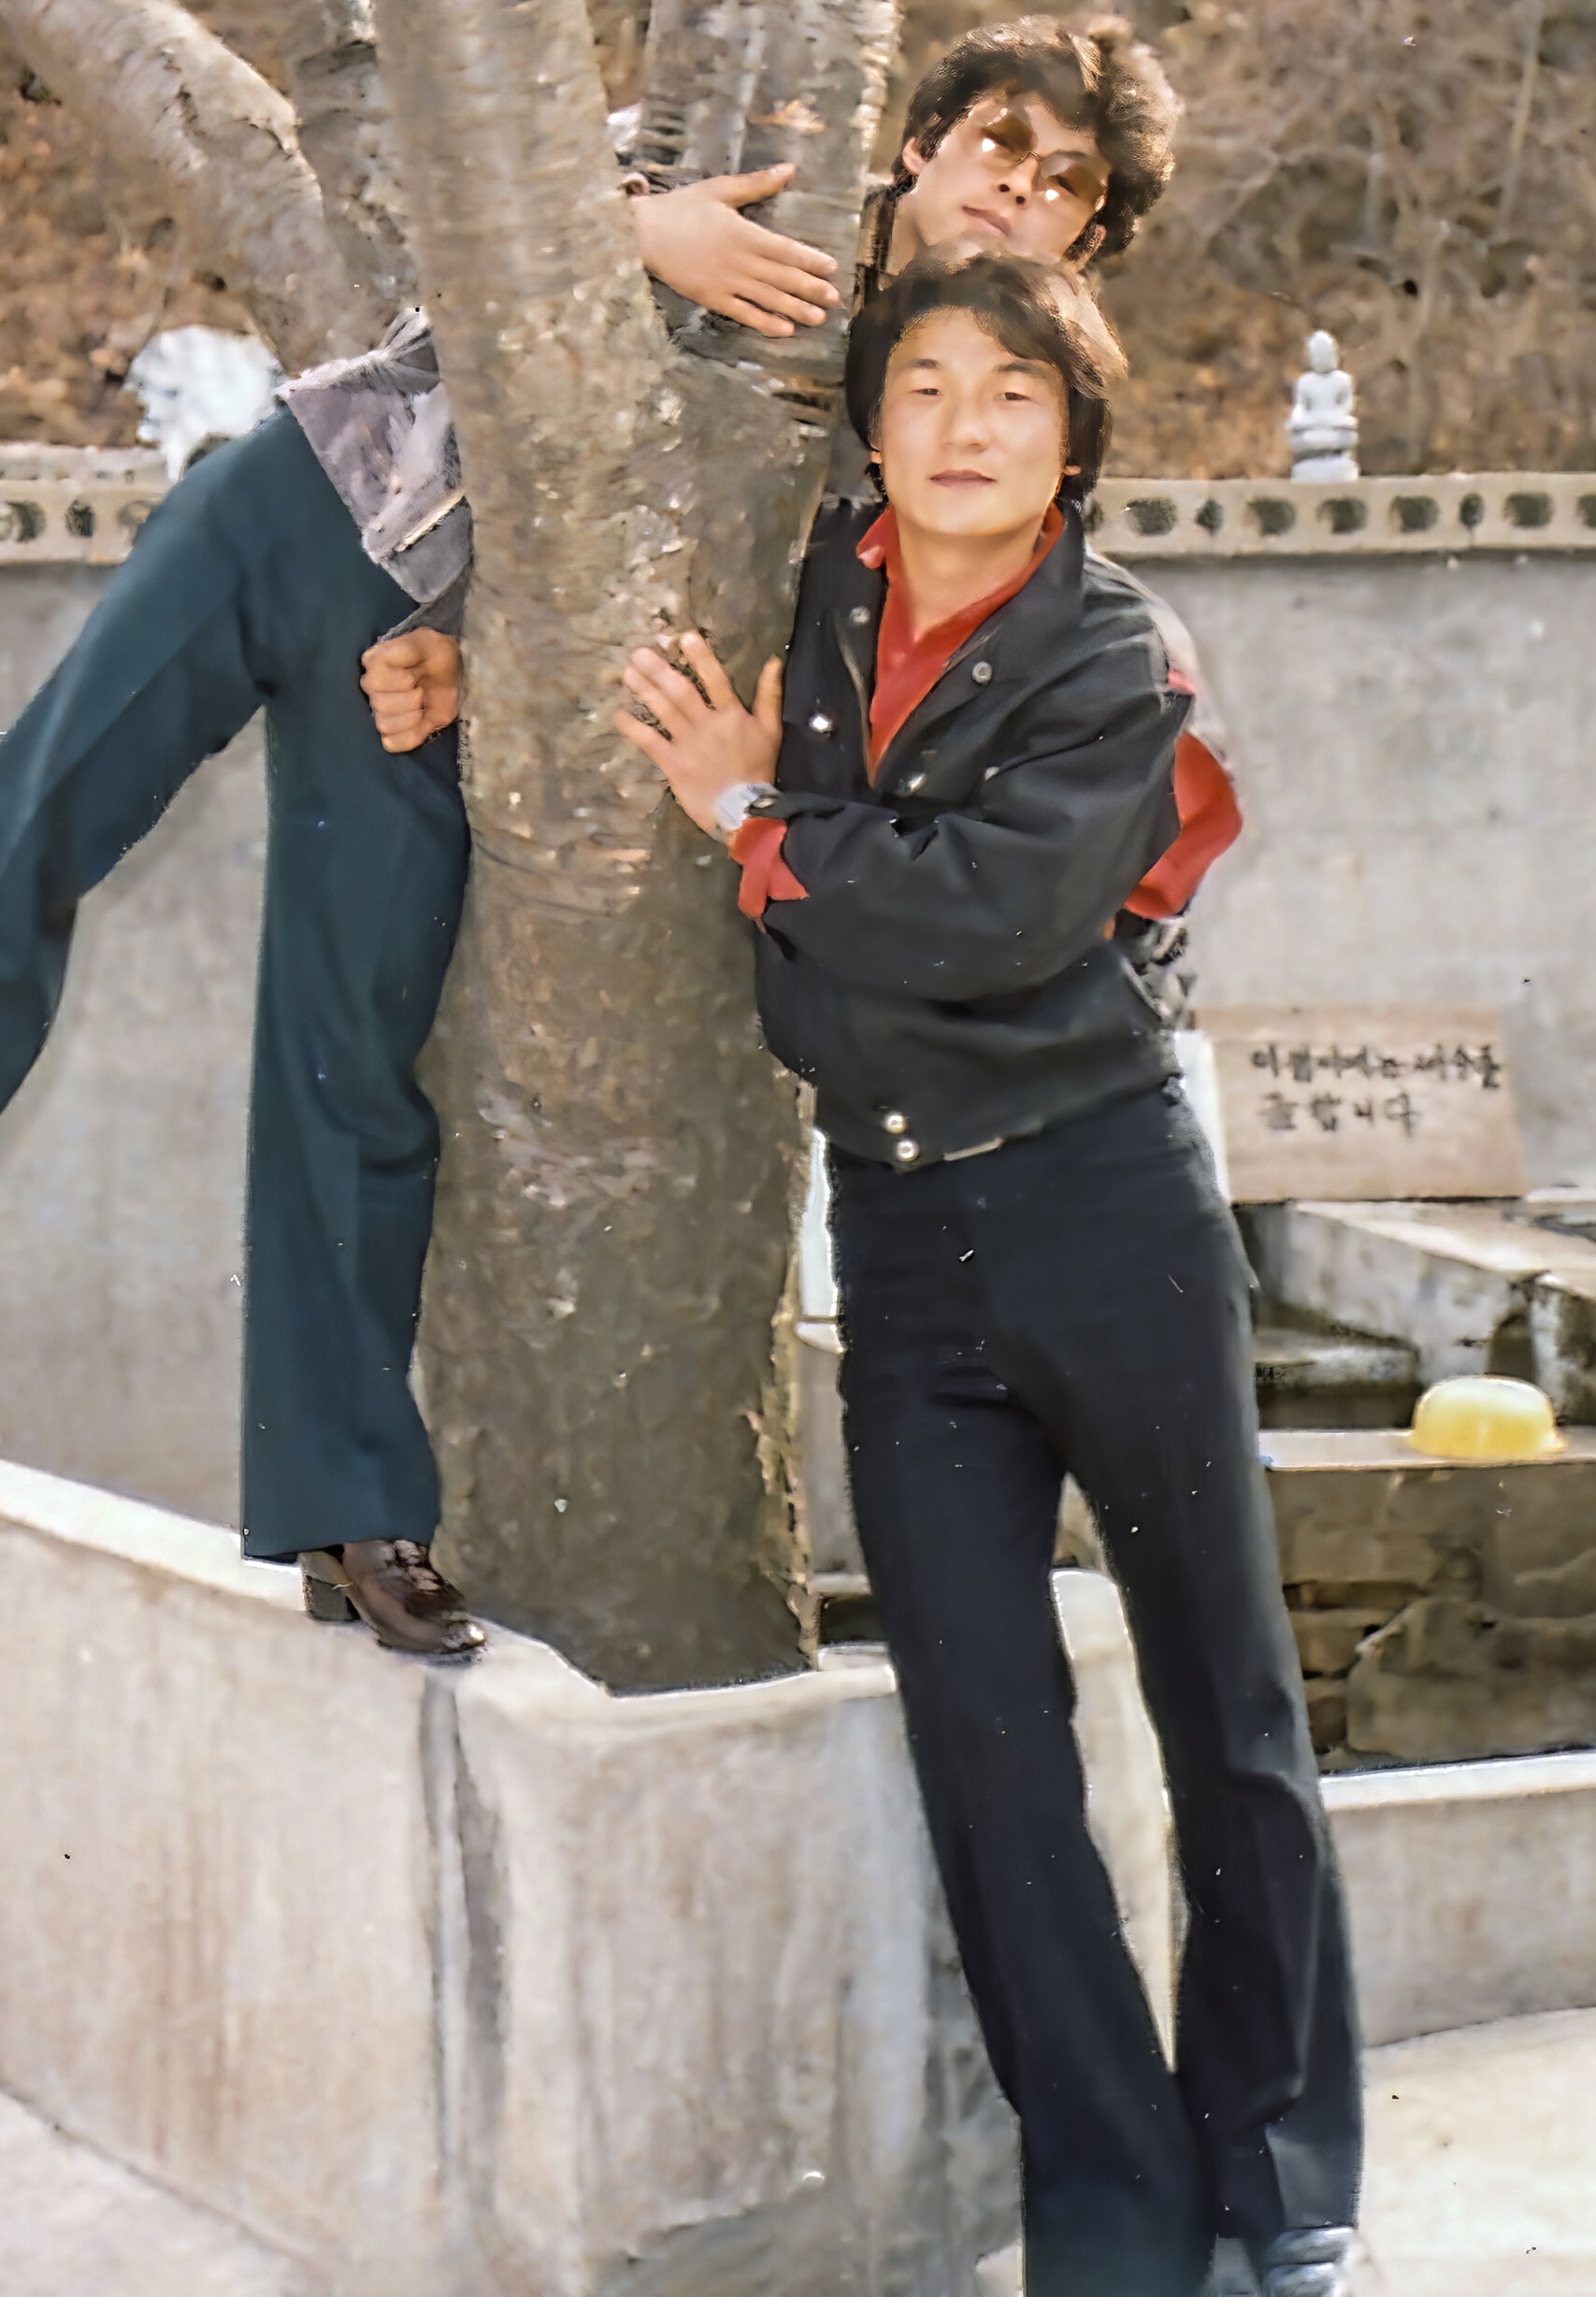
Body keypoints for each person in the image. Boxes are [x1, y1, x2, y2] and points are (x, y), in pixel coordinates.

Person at [0, 19, 1186, 1664]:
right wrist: (632, 233)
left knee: (357, 1052)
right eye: (999, 144)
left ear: (1087, 239)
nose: (1016, 192)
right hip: (313, 509)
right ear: (925, 139)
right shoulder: (751, 143)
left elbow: (715, 608)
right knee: (30, 831)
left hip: (440, 681)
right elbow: (446, 224)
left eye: (1064, 186)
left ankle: (344, 1504)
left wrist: (483, 668)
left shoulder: (929, 427)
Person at [613, 251, 1359, 2297]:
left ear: (1073, 439)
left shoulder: (1115, 652)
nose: (962, 425)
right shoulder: (816, 596)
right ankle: (1113, 2216)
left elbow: (990, 916)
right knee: (986, 1735)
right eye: (926, 383)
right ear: (871, 422)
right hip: (900, 1237)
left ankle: (1283, 2182)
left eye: (1013, 391)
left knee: (1225, 1695)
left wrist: (754, 818)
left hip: (1108, 1205)